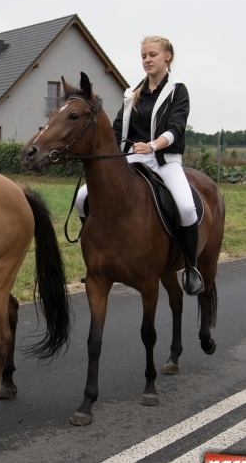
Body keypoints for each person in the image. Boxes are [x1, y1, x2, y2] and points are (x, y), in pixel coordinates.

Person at [74, 35, 203, 295]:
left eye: (152, 54)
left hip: (164, 160)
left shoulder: (178, 91)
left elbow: (176, 129)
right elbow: (119, 129)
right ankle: (97, 257)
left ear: (167, 56)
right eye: (144, 55)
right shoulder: (132, 93)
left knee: (187, 208)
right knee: (81, 197)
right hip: (131, 158)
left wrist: (153, 145)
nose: (147, 60)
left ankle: (190, 267)